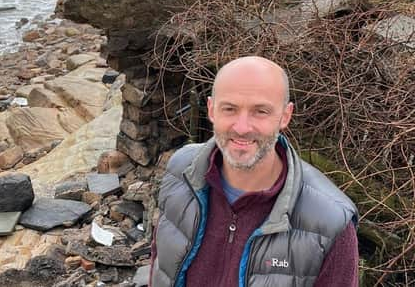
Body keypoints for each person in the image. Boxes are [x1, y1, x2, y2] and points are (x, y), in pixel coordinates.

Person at [149, 56, 358, 287]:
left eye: (260, 111)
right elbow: (161, 266)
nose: (242, 127)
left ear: (285, 116)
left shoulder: (330, 223)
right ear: (211, 110)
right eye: (229, 109)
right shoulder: (181, 171)